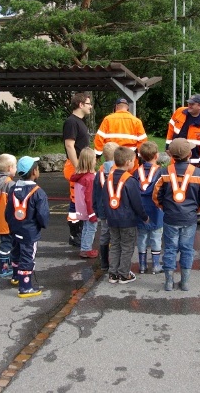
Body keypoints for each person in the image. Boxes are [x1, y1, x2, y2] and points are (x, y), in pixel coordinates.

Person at [153, 138, 200, 291]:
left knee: (170, 249)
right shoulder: (198, 173)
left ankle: (168, 282)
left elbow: (156, 194)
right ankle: (185, 282)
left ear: (171, 155)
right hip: (189, 218)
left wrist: (163, 207)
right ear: (190, 154)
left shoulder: (164, 172)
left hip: (170, 217)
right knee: (186, 249)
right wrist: (198, 210)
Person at [102, 146, 149, 285]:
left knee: (115, 245)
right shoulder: (130, 181)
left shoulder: (108, 179)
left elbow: (104, 200)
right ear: (128, 162)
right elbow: (137, 203)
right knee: (127, 246)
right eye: (134, 161)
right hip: (127, 220)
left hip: (112, 219)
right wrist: (144, 216)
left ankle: (113, 273)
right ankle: (124, 274)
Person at [5, 156, 50, 298]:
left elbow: (8, 211)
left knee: (16, 252)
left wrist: (11, 224)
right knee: (28, 256)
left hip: (15, 228)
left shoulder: (13, 188)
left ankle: (16, 276)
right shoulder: (38, 192)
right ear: (35, 172)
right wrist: (43, 225)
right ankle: (25, 287)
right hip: (30, 232)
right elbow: (42, 215)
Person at [166, 93, 200, 225]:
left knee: (195, 187)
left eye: (192, 104)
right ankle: (176, 210)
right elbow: (171, 128)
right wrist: (168, 145)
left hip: (194, 159)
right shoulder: (180, 113)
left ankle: (199, 213)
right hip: (176, 156)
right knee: (175, 184)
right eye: (189, 103)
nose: (189, 106)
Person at [63, 92, 93, 248]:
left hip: (82, 166)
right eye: (88, 104)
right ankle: (74, 234)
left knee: (80, 201)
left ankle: (78, 231)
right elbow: (70, 145)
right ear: (81, 105)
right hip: (76, 167)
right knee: (75, 202)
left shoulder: (79, 122)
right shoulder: (71, 122)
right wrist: (78, 167)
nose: (91, 107)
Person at [133, 141, 164, 274]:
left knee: (142, 237)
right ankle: (156, 265)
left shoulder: (135, 172)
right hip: (156, 210)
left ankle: (142, 265)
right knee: (156, 237)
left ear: (140, 156)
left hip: (140, 210)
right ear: (156, 156)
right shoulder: (161, 172)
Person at [94, 97, 147, 169]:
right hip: (130, 159)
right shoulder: (136, 121)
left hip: (113, 158)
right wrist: (140, 157)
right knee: (130, 179)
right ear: (127, 108)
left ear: (116, 107)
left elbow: (99, 138)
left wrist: (97, 155)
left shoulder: (107, 119)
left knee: (112, 178)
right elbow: (142, 141)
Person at [92, 141, 119, 271]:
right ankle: (115, 263)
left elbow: (95, 193)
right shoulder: (119, 172)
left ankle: (104, 263)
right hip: (117, 210)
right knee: (115, 236)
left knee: (104, 235)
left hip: (103, 210)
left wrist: (96, 208)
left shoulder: (99, 174)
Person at [70, 147, 99, 259]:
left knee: (86, 228)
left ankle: (84, 247)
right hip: (89, 208)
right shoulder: (90, 178)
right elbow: (89, 197)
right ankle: (86, 249)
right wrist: (92, 213)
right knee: (91, 228)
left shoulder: (79, 176)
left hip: (81, 207)